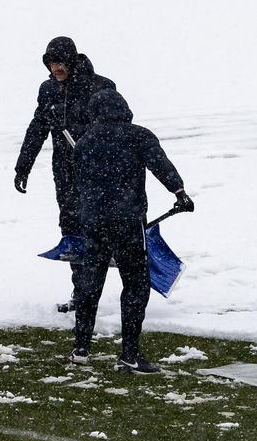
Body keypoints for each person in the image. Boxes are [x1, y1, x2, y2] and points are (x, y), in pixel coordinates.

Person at [69, 88, 193, 374]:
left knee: (90, 284)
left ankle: (81, 349)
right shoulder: (138, 135)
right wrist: (180, 191)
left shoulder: (84, 142)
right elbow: (160, 165)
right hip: (127, 221)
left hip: (94, 223)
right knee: (135, 284)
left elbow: (78, 186)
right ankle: (130, 354)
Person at [13, 36, 116, 311]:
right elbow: (38, 128)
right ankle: (81, 293)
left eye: (59, 62)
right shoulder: (48, 90)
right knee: (71, 229)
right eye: (50, 63)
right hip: (65, 172)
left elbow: (118, 125)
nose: (55, 68)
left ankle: (106, 290)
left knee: (99, 228)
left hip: (99, 171)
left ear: (71, 60)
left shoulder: (100, 87)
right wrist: (24, 165)